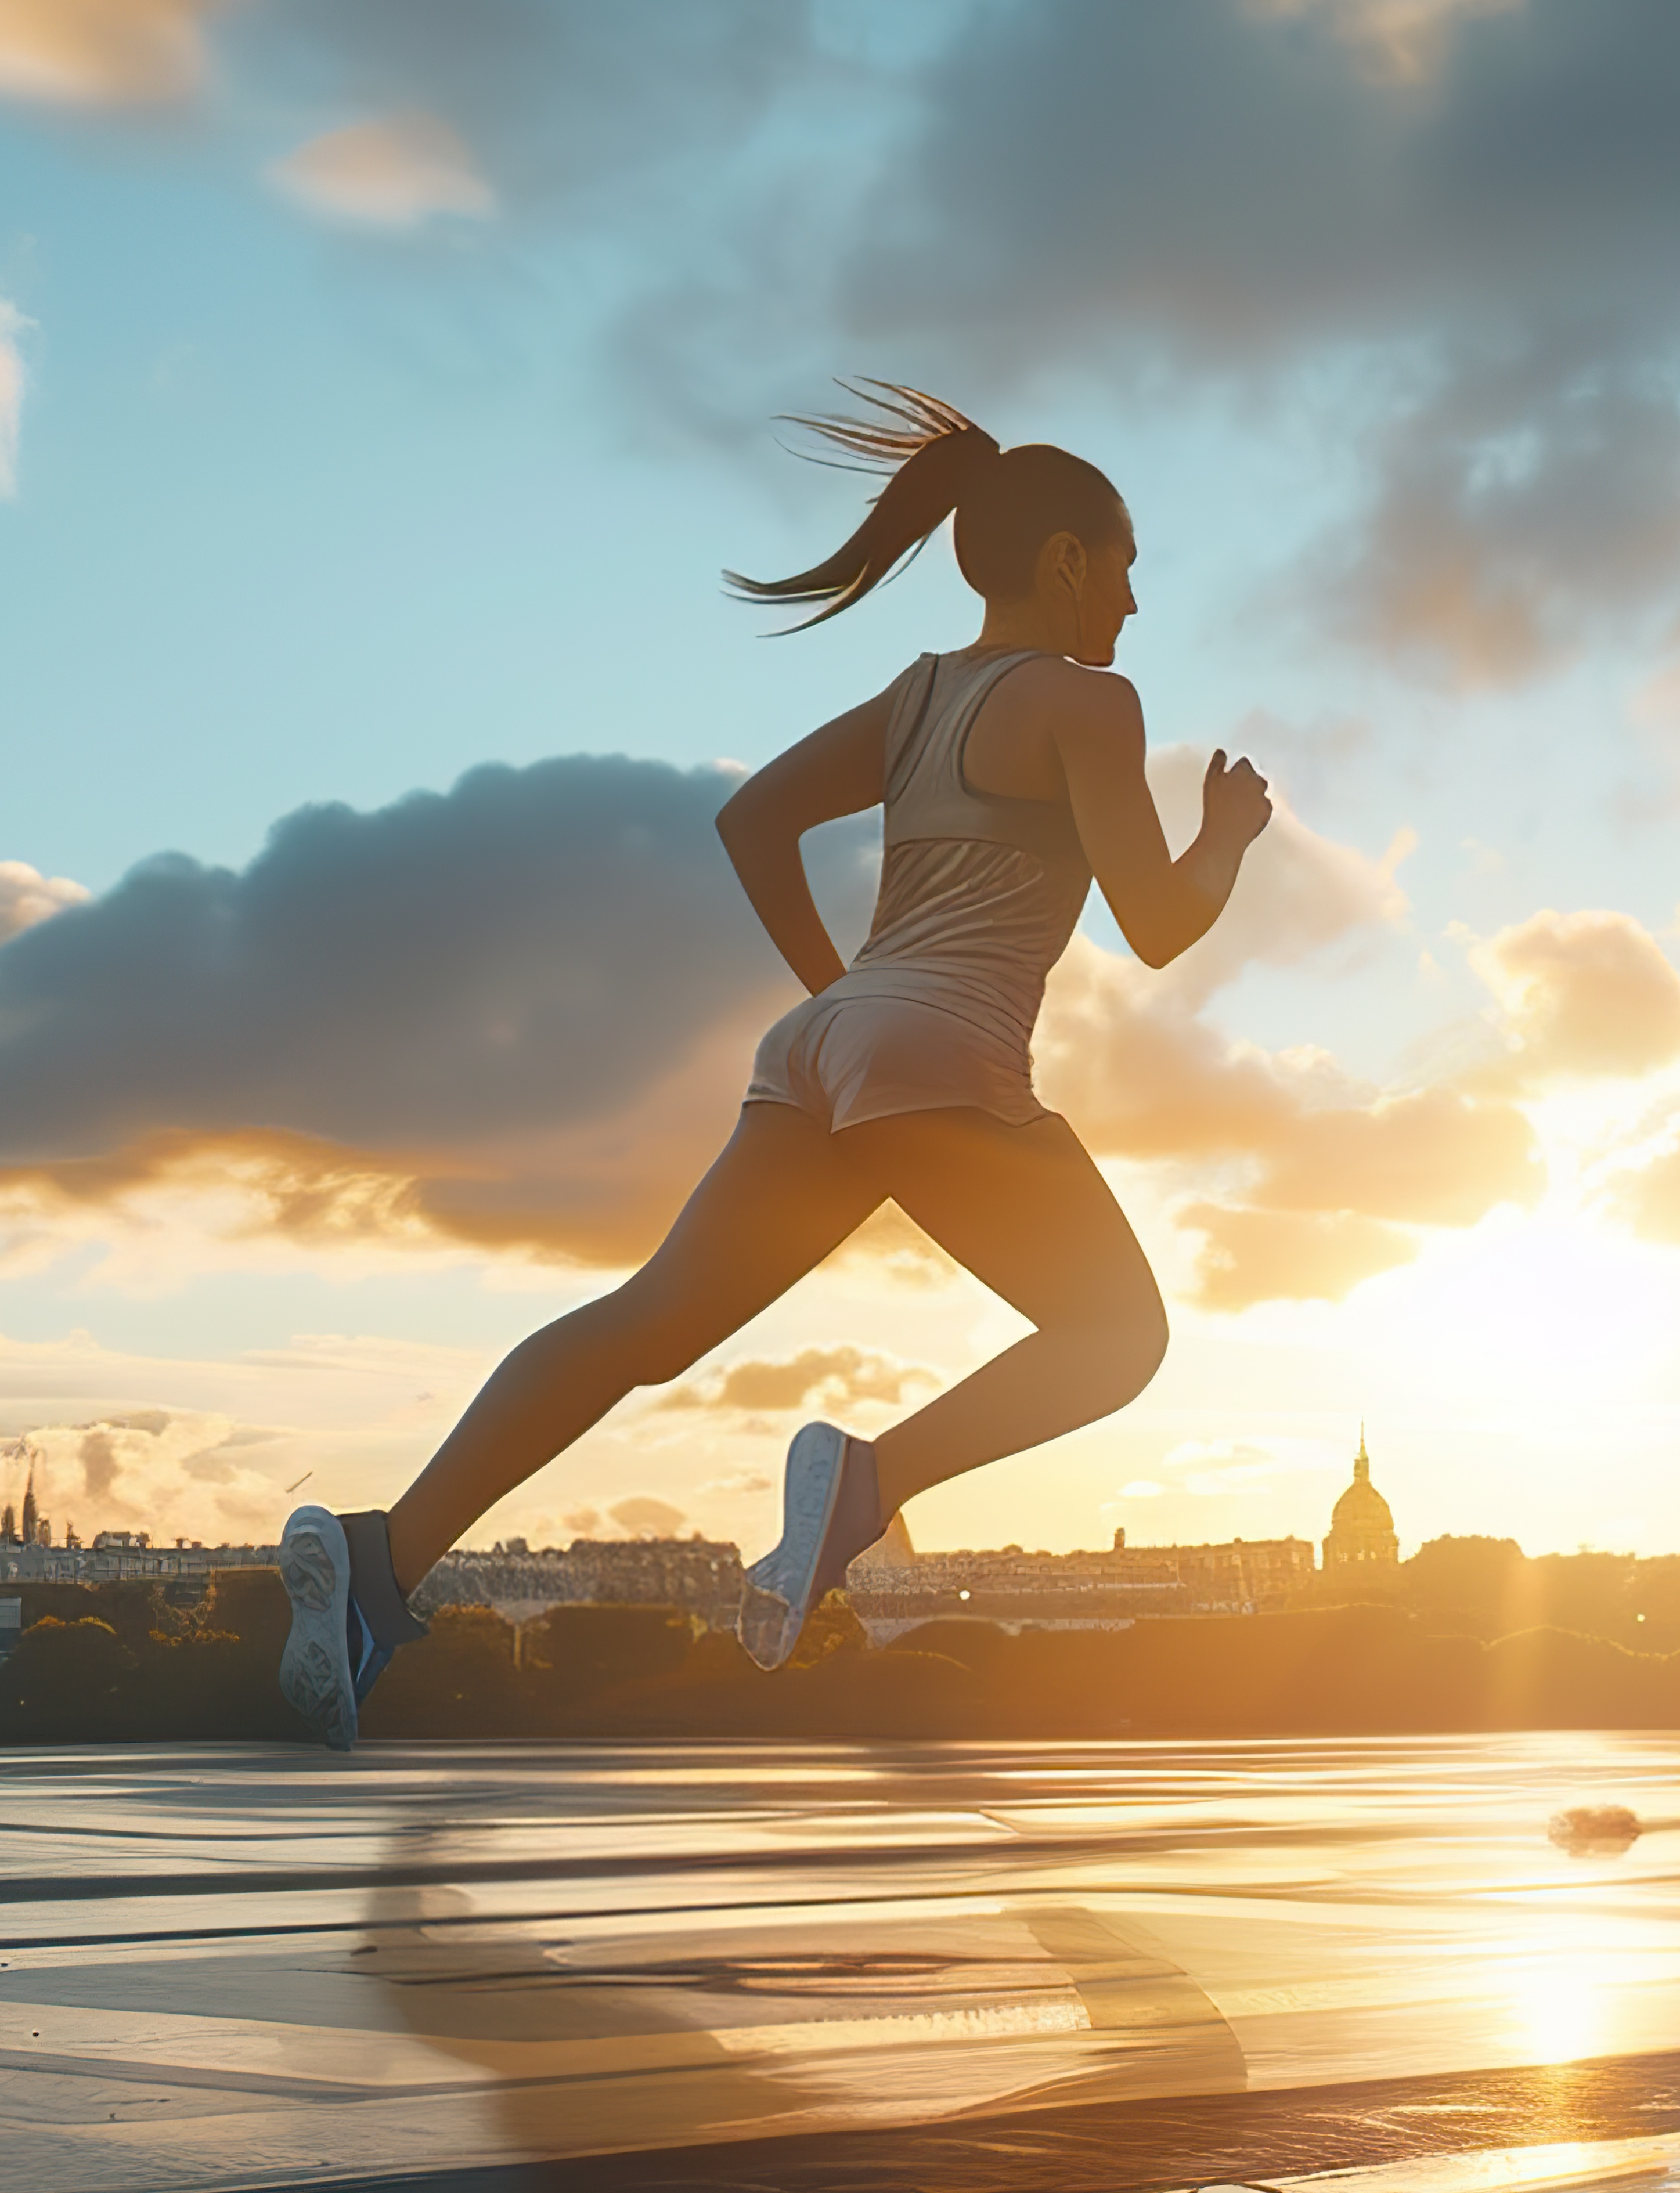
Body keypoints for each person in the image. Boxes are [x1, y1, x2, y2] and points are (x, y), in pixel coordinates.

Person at [272, 385, 1275, 1750]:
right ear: (1063, 561)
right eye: (1125, 568)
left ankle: (383, 1558)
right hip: (939, 1046)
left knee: (642, 1324)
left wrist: (844, 1001)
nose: (1134, 605)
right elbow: (1158, 921)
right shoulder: (1087, 704)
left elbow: (754, 821)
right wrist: (1227, 834)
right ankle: (865, 1483)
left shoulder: (918, 696)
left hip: (821, 1047)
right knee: (1121, 1336)